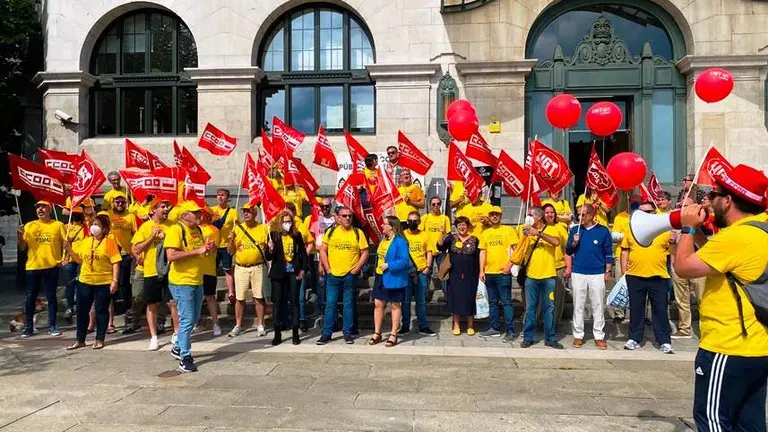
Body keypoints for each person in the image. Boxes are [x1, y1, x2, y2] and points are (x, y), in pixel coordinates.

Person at [673, 164, 768, 431]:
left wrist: (687, 228)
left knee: (713, 420)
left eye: (714, 194)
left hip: (727, 346)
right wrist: (701, 233)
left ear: (727, 201)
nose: (709, 200)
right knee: (749, 423)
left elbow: (683, 267)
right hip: (758, 347)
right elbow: (721, 260)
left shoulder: (736, 237)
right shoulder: (759, 230)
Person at [164, 202, 215, 373]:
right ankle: (185, 357)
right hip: (181, 281)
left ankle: (178, 346)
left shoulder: (198, 230)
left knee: (194, 318)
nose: (199, 215)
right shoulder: (176, 230)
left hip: (196, 279)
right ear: (185, 215)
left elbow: (200, 253)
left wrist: (207, 249)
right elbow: (171, 255)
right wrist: (198, 251)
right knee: (187, 319)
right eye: (195, 213)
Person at [620, 201, 674, 354]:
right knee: (636, 309)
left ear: (654, 213)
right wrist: (624, 272)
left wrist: (674, 241)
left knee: (660, 310)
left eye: (648, 212)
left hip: (659, 276)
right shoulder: (630, 229)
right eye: (641, 212)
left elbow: (673, 252)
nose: (645, 215)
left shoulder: (664, 231)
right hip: (635, 276)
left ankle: (664, 341)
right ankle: (634, 338)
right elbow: (625, 250)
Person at [64, 214, 121, 350]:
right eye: (93, 224)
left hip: (103, 281)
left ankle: (100, 339)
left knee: (101, 310)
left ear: (104, 228)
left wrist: (115, 280)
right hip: (85, 280)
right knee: (82, 311)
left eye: (98, 225)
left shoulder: (109, 242)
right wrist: (69, 249)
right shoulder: (85, 241)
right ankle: (80, 339)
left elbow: (115, 261)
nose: (94, 227)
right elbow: (79, 260)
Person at [317, 205, 369, 345]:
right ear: (338, 218)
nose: (347, 218)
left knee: (348, 305)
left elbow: (365, 252)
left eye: (350, 216)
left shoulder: (358, 233)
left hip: (349, 275)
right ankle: (326, 334)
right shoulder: (331, 232)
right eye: (344, 216)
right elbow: (323, 250)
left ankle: (347, 333)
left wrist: (356, 269)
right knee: (330, 305)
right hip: (333, 275)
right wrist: (327, 268)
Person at [565, 205, 614, 350]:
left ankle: (599, 335)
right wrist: (574, 242)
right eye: (579, 214)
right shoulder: (575, 230)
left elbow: (608, 252)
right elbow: (568, 250)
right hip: (579, 271)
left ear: (592, 215)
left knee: (598, 304)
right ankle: (578, 335)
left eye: (583, 215)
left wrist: (608, 271)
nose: (580, 218)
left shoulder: (603, 230)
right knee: (578, 304)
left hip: (597, 272)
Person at [18, 201, 67, 337]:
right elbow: (23, 247)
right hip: (33, 267)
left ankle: (52, 326)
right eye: (37, 207)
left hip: (52, 266)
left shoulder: (58, 225)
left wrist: (65, 258)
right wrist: (19, 236)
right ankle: (29, 327)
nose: (40, 209)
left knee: (51, 297)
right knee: (30, 297)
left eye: (43, 207)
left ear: (50, 209)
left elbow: (66, 244)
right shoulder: (29, 226)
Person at [131, 198, 175, 351]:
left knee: (174, 303)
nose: (166, 209)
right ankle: (154, 337)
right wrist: (152, 237)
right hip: (151, 271)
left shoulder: (174, 226)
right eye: (162, 206)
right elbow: (136, 249)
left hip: (171, 271)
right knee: (152, 304)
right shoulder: (145, 227)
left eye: (167, 206)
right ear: (154, 209)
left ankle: (176, 334)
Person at [518, 207, 563, 349]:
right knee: (530, 308)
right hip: (531, 276)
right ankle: (528, 337)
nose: (528, 217)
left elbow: (556, 242)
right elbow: (519, 249)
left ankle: (550, 338)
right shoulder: (526, 230)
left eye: (530, 215)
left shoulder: (552, 229)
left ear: (538, 217)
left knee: (548, 308)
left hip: (548, 275)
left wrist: (538, 233)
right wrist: (526, 234)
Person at [227, 203, 269, 338]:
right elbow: (230, 252)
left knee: (259, 297)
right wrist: (230, 240)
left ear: (255, 213)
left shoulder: (263, 228)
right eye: (244, 211)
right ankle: (238, 325)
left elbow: (269, 249)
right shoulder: (237, 228)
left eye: (249, 211)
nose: (246, 213)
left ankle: (261, 324)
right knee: (240, 298)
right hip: (241, 268)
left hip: (258, 267)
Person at [266, 210, 307, 346]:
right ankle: (277, 332)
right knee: (277, 302)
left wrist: (302, 270)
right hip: (279, 272)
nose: (287, 224)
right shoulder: (274, 236)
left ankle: (295, 332)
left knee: (295, 302)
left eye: (289, 222)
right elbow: (269, 257)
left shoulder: (296, 235)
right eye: (284, 222)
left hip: (293, 271)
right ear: (280, 223)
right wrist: (270, 249)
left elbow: (303, 254)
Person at [479, 206, 519, 342]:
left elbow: (515, 250)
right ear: (489, 217)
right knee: (493, 302)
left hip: (503, 273)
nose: (494, 216)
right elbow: (483, 252)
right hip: (489, 273)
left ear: (501, 216)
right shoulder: (485, 233)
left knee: (507, 302)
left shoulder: (508, 230)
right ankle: (494, 328)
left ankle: (511, 331)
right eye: (492, 214)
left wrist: (509, 266)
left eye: (497, 214)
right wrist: (481, 270)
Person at [369, 216, 410, 347]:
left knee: (394, 305)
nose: (382, 226)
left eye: (384, 224)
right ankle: (377, 332)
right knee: (378, 304)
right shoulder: (383, 240)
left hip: (394, 277)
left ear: (392, 226)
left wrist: (389, 265)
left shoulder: (400, 241)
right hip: (380, 276)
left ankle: (393, 334)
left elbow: (404, 261)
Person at [437, 216, 480, 336]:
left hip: (471, 273)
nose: (462, 227)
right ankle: (456, 324)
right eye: (459, 225)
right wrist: (441, 234)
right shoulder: (451, 238)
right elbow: (440, 247)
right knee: (455, 297)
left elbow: (479, 256)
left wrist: (480, 271)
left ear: (468, 226)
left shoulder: (475, 239)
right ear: (456, 227)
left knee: (470, 297)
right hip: (455, 273)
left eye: (464, 224)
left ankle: (470, 325)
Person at [401, 211, 436, 336]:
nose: (412, 223)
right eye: (410, 220)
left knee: (421, 300)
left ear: (419, 222)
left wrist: (428, 266)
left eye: (415, 221)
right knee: (405, 301)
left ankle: (423, 326)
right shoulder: (402, 235)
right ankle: (405, 326)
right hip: (406, 272)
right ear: (406, 221)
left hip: (421, 271)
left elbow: (429, 251)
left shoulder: (425, 235)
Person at [107, 192, 137, 334]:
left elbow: (135, 234)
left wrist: (134, 252)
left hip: (126, 255)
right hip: (109, 256)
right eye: (117, 202)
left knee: (125, 286)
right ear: (112, 202)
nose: (120, 204)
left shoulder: (130, 216)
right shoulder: (106, 215)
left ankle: (129, 318)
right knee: (111, 287)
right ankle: (109, 322)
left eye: (122, 202)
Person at [306, 198, 336, 321]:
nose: (325, 208)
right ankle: (319, 309)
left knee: (331, 284)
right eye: (322, 206)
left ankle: (331, 309)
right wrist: (318, 248)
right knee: (320, 284)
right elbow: (312, 237)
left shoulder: (335, 219)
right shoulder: (316, 220)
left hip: (333, 256)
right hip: (319, 256)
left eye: (327, 206)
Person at [209, 189, 238, 305]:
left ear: (227, 198)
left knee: (227, 269)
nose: (220, 197)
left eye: (223, 195)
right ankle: (212, 292)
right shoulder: (212, 210)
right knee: (212, 270)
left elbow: (237, 225)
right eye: (218, 195)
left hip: (226, 244)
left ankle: (231, 292)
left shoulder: (232, 212)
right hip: (214, 244)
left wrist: (234, 235)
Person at [543, 203, 570, 325]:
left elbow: (567, 250)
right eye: (547, 212)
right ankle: (541, 322)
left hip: (558, 267)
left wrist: (568, 267)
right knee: (542, 298)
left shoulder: (560, 228)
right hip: (542, 268)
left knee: (557, 298)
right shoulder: (539, 228)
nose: (549, 215)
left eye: (551, 212)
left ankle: (554, 323)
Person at [420, 196, 451, 294]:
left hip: (440, 251)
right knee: (426, 273)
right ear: (430, 206)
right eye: (433, 204)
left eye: (438, 204)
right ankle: (424, 295)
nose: (436, 206)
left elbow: (449, 235)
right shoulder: (425, 218)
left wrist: (444, 235)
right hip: (427, 251)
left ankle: (447, 296)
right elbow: (420, 233)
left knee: (444, 273)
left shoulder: (445, 218)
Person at [199, 207, 222, 336]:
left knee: (210, 297)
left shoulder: (213, 230)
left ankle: (215, 324)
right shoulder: (192, 229)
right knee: (194, 298)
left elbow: (213, 249)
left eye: (201, 214)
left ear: (207, 215)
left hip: (208, 268)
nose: (199, 216)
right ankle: (194, 323)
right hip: (195, 269)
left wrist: (208, 247)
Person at [63, 207, 86, 321]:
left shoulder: (85, 227)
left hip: (82, 259)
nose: (77, 215)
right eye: (75, 213)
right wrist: (66, 257)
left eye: (79, 213)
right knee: (69, 284)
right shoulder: (66, 227)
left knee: (81, 283)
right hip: (70, 260)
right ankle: (70, 306)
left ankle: (80, 305)